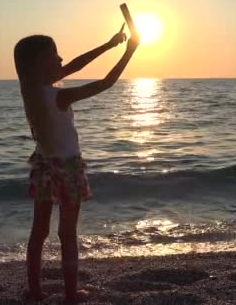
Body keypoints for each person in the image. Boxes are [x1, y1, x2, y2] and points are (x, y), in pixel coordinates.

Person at [13, 24, 140, 302]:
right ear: (40, 64)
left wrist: (108, 45)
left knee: (39, 232)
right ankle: (71, 295)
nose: (61, 59)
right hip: (67, 168)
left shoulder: (31, 89)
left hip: (43, 166)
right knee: (67, 234)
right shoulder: (60, 95)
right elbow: (106, 83)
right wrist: (129, 52)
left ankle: (34, 291)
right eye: (55, 54)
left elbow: (75, 65)